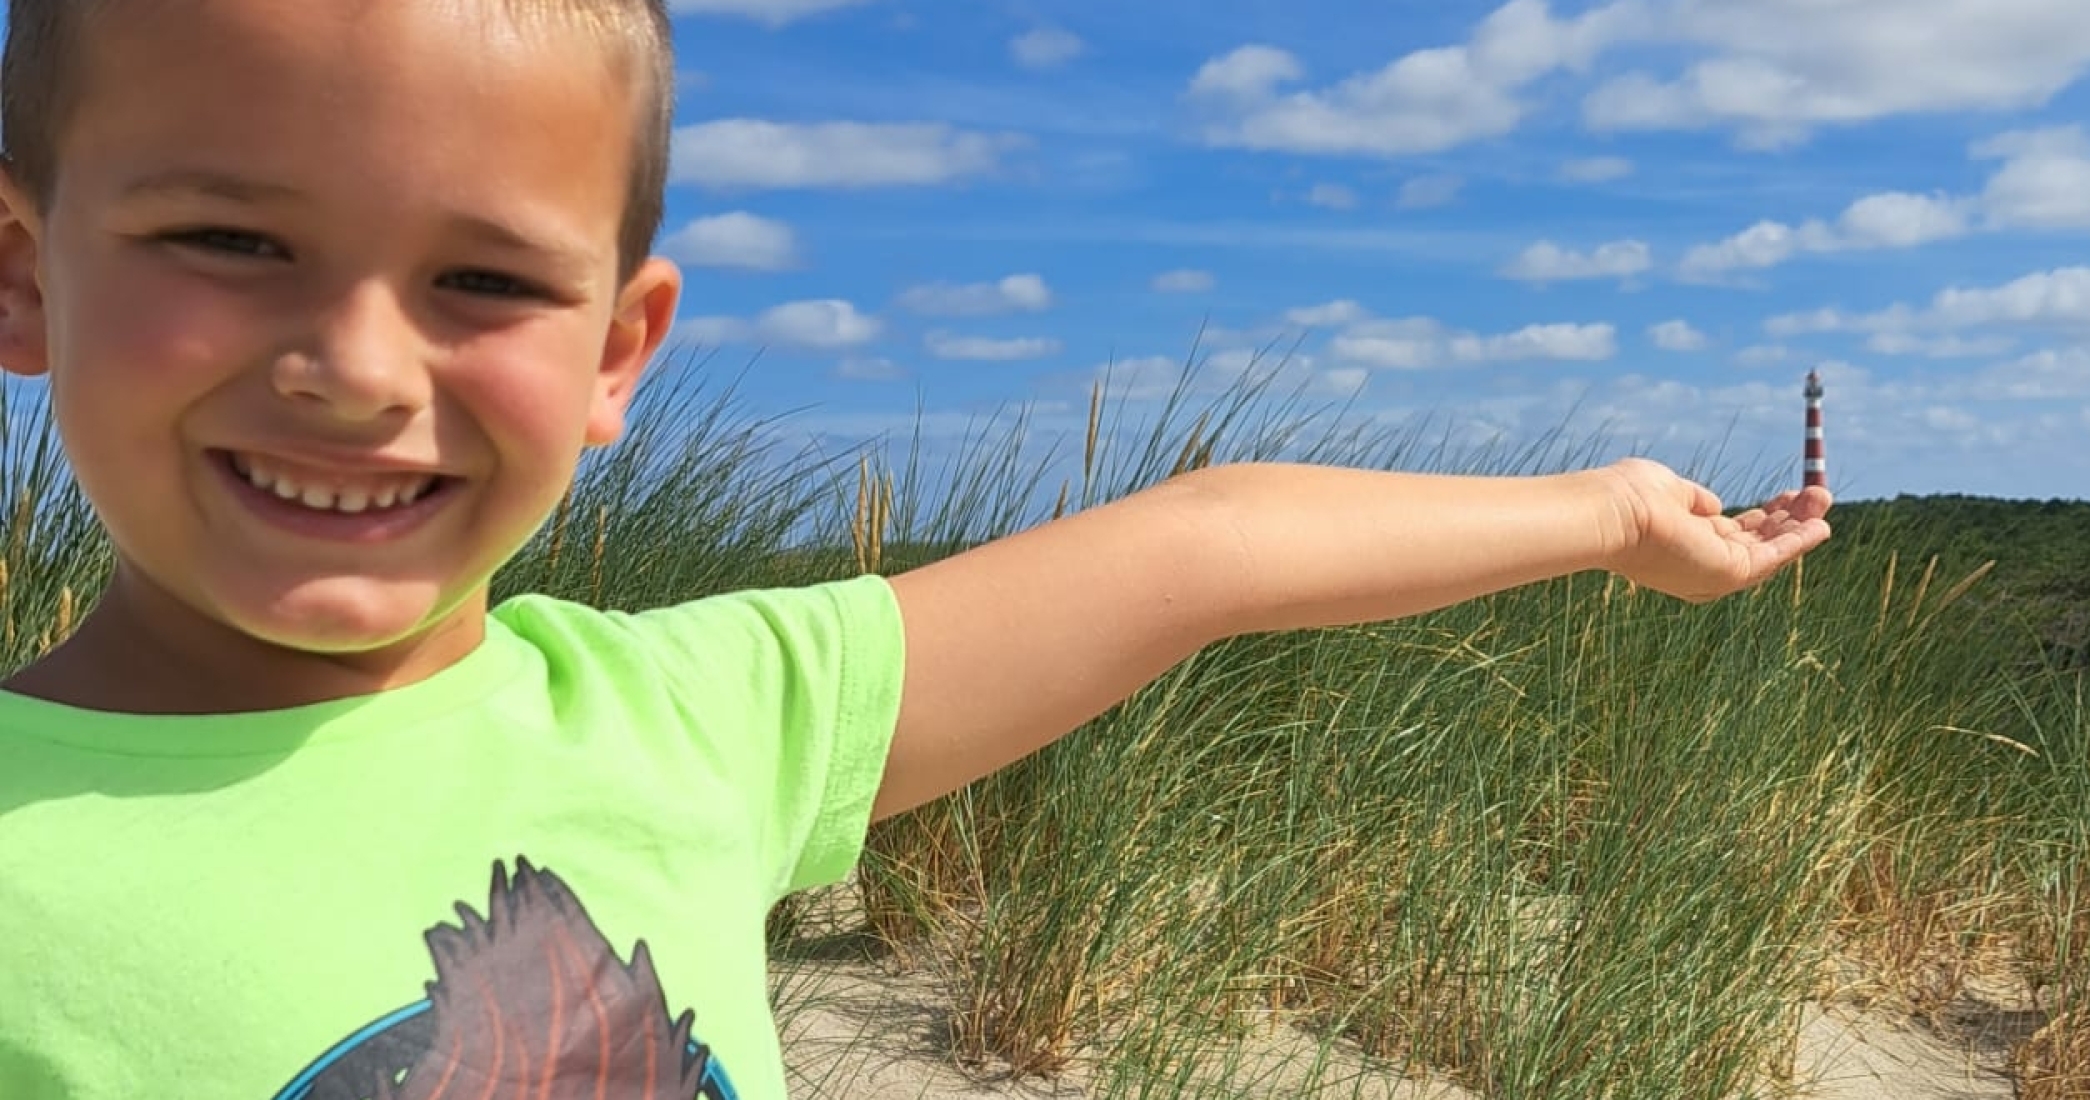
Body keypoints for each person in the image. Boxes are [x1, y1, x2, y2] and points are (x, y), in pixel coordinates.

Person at [0, 0, 1834, 1096]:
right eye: (229, 242)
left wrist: (1611, 516)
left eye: (480, 278)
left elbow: (1212, 545)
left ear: (618, 352)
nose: (355, 368)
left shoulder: (705, 714)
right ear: (25, 274)